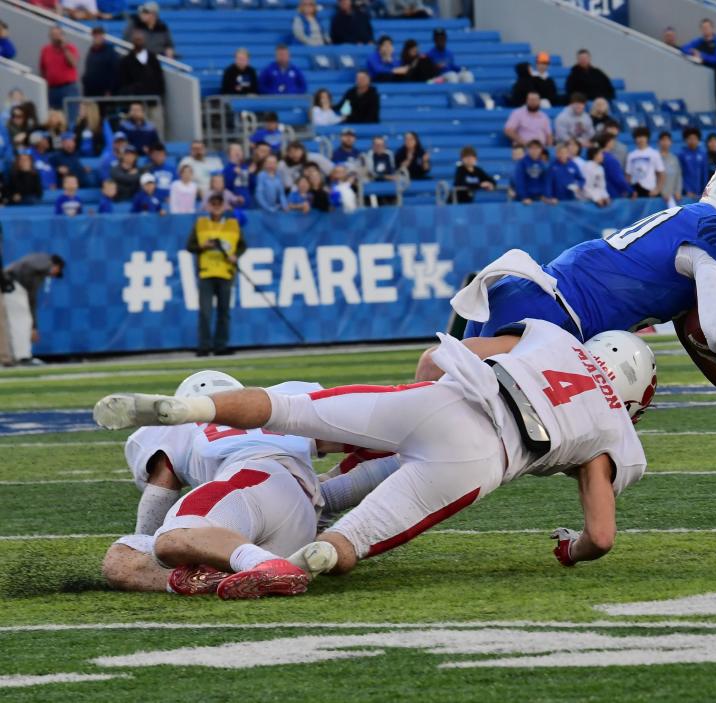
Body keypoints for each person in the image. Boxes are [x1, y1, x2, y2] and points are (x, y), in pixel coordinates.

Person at [94, 318, 659, 598]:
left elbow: (437, 356)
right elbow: (601, 538)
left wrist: (409, 410)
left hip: (446, 403)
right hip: (482, 458)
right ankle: (303, 562)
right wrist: (570, 550)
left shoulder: (552, 336)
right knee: (351, 539)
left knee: (288, 408)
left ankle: (191, 405)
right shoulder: (614, 435)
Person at [414, 160, 716, 451]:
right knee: (435, 388)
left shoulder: (695, 231)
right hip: (550, 316)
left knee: (452, 429)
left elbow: (698, 343)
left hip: (539, 306)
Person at [100, 371, 409, 596]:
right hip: (299, 516)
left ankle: (267, 567)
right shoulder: (278, 404)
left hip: (250, 483)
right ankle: (222, 576)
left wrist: (152, 544)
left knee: (165, 541)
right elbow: (365, 444)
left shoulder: (183, 425)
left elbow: (159, 493)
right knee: (123, 560)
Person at [183, 198, 245, 357]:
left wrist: (235, 256)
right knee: (205, 311)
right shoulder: (201, 223)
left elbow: (242, 245)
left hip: (226, 272)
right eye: (214, 204)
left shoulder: (233, 224)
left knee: (224, 311)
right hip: (206, 272)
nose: (217, 207)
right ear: (209, 206)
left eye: (219, 204)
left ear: (224, 206)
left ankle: (221, 345)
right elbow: (190, 246)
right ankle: (204, 346)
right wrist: (202, 247)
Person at [3, 253, 64, 364]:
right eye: (57, 271)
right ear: (56, 266)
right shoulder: (45, 261)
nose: (54, 275)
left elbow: (32, 300)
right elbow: (30, 265)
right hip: (12, 286)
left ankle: (14, 356)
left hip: (10, 285)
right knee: (22, 321)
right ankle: (23, 357)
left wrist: (34, 327)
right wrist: (48, 267)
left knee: (14, 322)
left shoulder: (37, 268)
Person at [682, 19, 716, 128]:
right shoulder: (698, 41)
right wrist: (692, 52)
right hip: (703, 76)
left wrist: (702, 56)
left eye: (707, 27)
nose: (705, 30)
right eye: (703, 28)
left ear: (712, 28)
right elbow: (684, 48)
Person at [39, 26, 80, 110]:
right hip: (52, 89)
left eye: (58, 34)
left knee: (70, 114)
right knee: (55, 115)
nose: (55, 37)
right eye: (53, 35)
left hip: (68, 88)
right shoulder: (46, 50)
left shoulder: (70, 48)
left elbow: (73, 63)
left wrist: (64, 48)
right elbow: (42, 69)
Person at [116, 30, 165, 99]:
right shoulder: (126, 61)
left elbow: (159, 79)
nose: (138, 41)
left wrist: (158, 94)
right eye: (136, 39)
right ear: (132, 40)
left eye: (140, 39)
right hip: (134, 102)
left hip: (153, 100)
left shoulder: (152, 59)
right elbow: (123, 82)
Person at [626, 126, 664, 198]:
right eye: (638, 137)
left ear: (647, 138)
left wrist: (657, 190)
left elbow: (661, 174)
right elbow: (628, 175)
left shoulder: (654, 153)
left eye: (643, 136)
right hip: (636, 192)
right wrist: (630, 191)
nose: (640, 139)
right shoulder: (631, 155)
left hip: (650, 191)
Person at [82, 26, 117, 97]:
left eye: (99, 35)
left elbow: (115, 72)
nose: (97, 38)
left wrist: (110, 90)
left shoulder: (110, 52)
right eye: (95, 35)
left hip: (104, 93)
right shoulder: (91, 51)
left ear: (103, 36)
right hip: (91, 91)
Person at [513, 140, 549, 204]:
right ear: (528, 150)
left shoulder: (542, 164)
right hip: (526, 200)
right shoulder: (522, 163)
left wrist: (545, 195)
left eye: (537, 148)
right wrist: (524, 197)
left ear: (541, 150)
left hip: (539, 198)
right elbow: (519, 181)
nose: (534, 150)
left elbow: (545, 181)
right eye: (532, 148)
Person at [678, 126, 709, 198]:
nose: (692, 141)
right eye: (690, 139)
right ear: (686, 140)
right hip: (686, 193)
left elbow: (704, 174)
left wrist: (705, 190)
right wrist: (686, 190)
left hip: (700, 193)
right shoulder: (681, 155)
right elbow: (680, 175)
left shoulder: (703, 154)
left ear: (698, 140)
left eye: (695, 138)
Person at [597, 132, 630, 199]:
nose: (614, 143)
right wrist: (629, 190)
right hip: (613, 194)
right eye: (613, 141)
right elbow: (617, 178)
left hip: (599, 193)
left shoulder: (596, 157)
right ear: (608, 142)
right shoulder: (610, 159)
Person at [658, 130, 682, 206]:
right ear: (659, 142)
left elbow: (678, 176)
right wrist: (662, 192)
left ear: (671, 142)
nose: (665, 142)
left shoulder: (674, 158)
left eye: (667, 140)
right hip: (659, 197)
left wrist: (678, 191)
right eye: (663, 140)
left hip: (673, 197)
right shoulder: (655, 157)